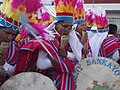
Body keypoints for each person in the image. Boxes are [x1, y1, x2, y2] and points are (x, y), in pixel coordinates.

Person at [13, 0, 77, 90]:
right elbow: (40, 64)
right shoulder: (47, 39)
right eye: (65, 26)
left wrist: (66, 54)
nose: (68, 30)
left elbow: (78, 58)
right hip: (50, 81)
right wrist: (54, 63)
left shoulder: (73, 38)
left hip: (70, 78)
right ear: (56, 25)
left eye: (71, 27)